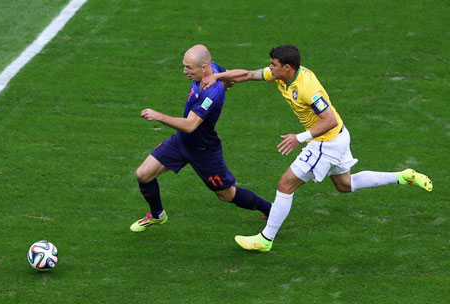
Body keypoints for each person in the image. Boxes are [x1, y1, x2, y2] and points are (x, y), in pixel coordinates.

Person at [200, 44, 433, 252]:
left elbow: (328, 119)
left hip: (326, 142)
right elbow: (249, 74)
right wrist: (218, 76)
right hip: (339, 137)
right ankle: (403, 177)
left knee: (286, 184)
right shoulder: (282, 75)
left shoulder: (306, 88)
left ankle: (266, 239)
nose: (270, 68)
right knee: (345, 184)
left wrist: (298, 138)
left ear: (288, 68)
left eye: (274, 65)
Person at [130, 44, 271, 232]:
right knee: (143, 174)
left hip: (203, 150)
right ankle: (157, 215)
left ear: (204, 68)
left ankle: (270, 209)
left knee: (226, 195)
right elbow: (234, 77)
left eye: (188, 67)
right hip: (182, 142)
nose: (184, 71)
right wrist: (226, 81)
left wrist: (158, 116)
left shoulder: (211, 93)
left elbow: (190, 125)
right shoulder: (213, 69)